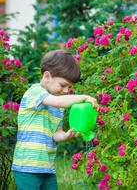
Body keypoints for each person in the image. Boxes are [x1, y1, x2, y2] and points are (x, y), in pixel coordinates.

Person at [11, 49, 99, 190]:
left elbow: (55, 134)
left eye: (69, 87)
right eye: (63, 85)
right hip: (27, 166)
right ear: (47, 77)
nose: (66, 90)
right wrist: (84, 98)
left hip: (47, 168)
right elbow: (58, 101)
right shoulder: (35, 92)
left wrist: (65, 135)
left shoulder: (58, 107)